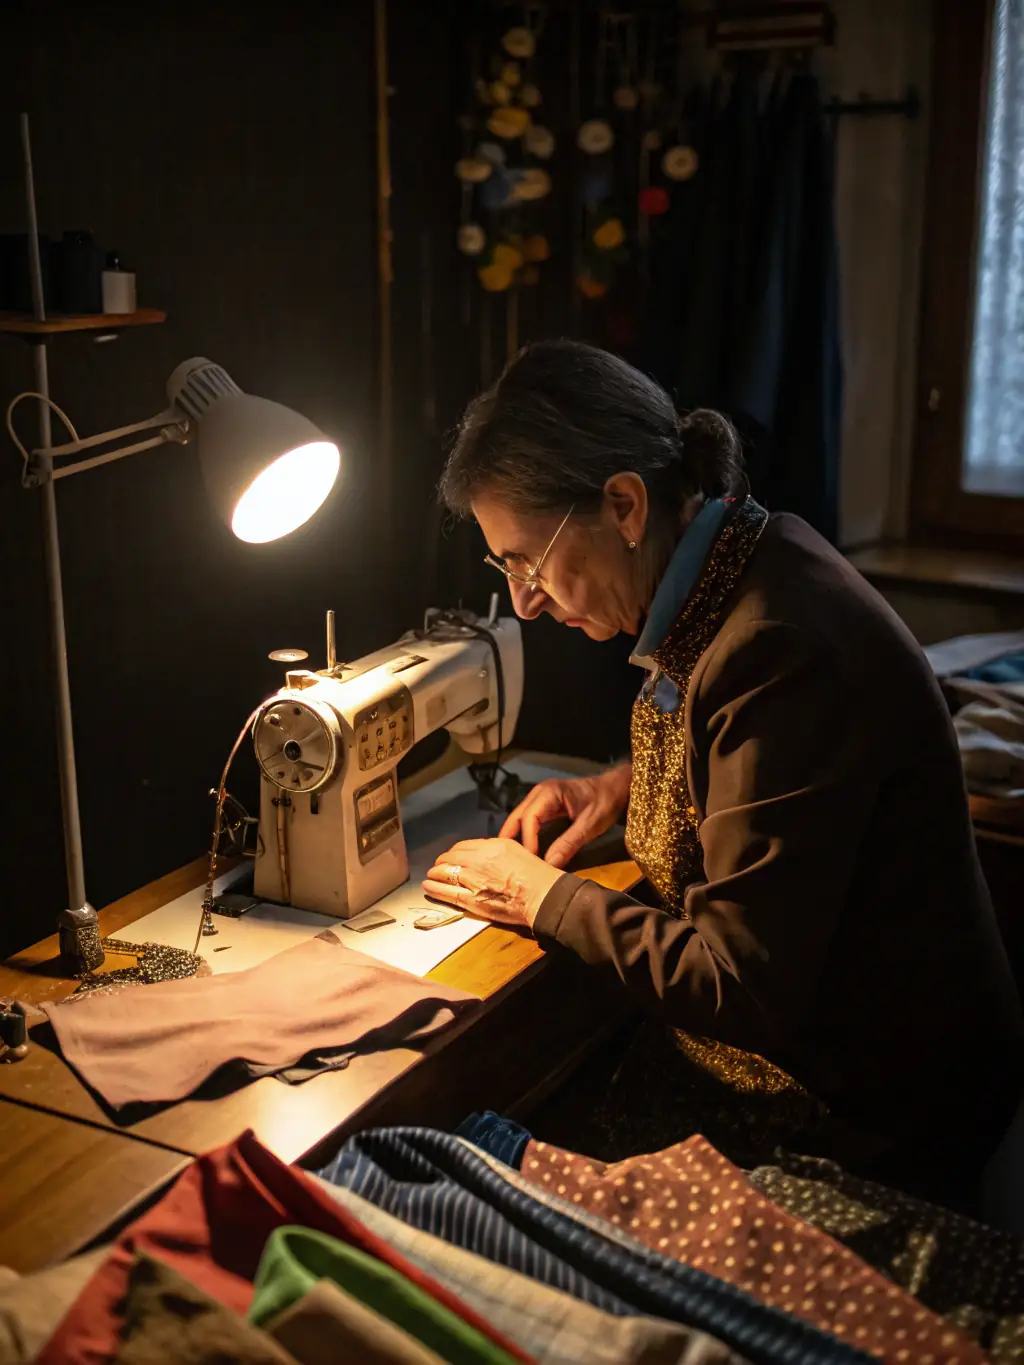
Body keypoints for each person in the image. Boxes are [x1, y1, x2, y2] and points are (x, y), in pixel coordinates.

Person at [423, 339, 1024, 1207]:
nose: (524, 599)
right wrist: (616, 786)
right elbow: (772, 764)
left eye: (527, 559)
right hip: (859, 1050)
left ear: (624, 503)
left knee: (482, 1169)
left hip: (876, 1109)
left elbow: (738, 983)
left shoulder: (776, 645)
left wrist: (540, 897)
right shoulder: (752, 553)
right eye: (505, 568)